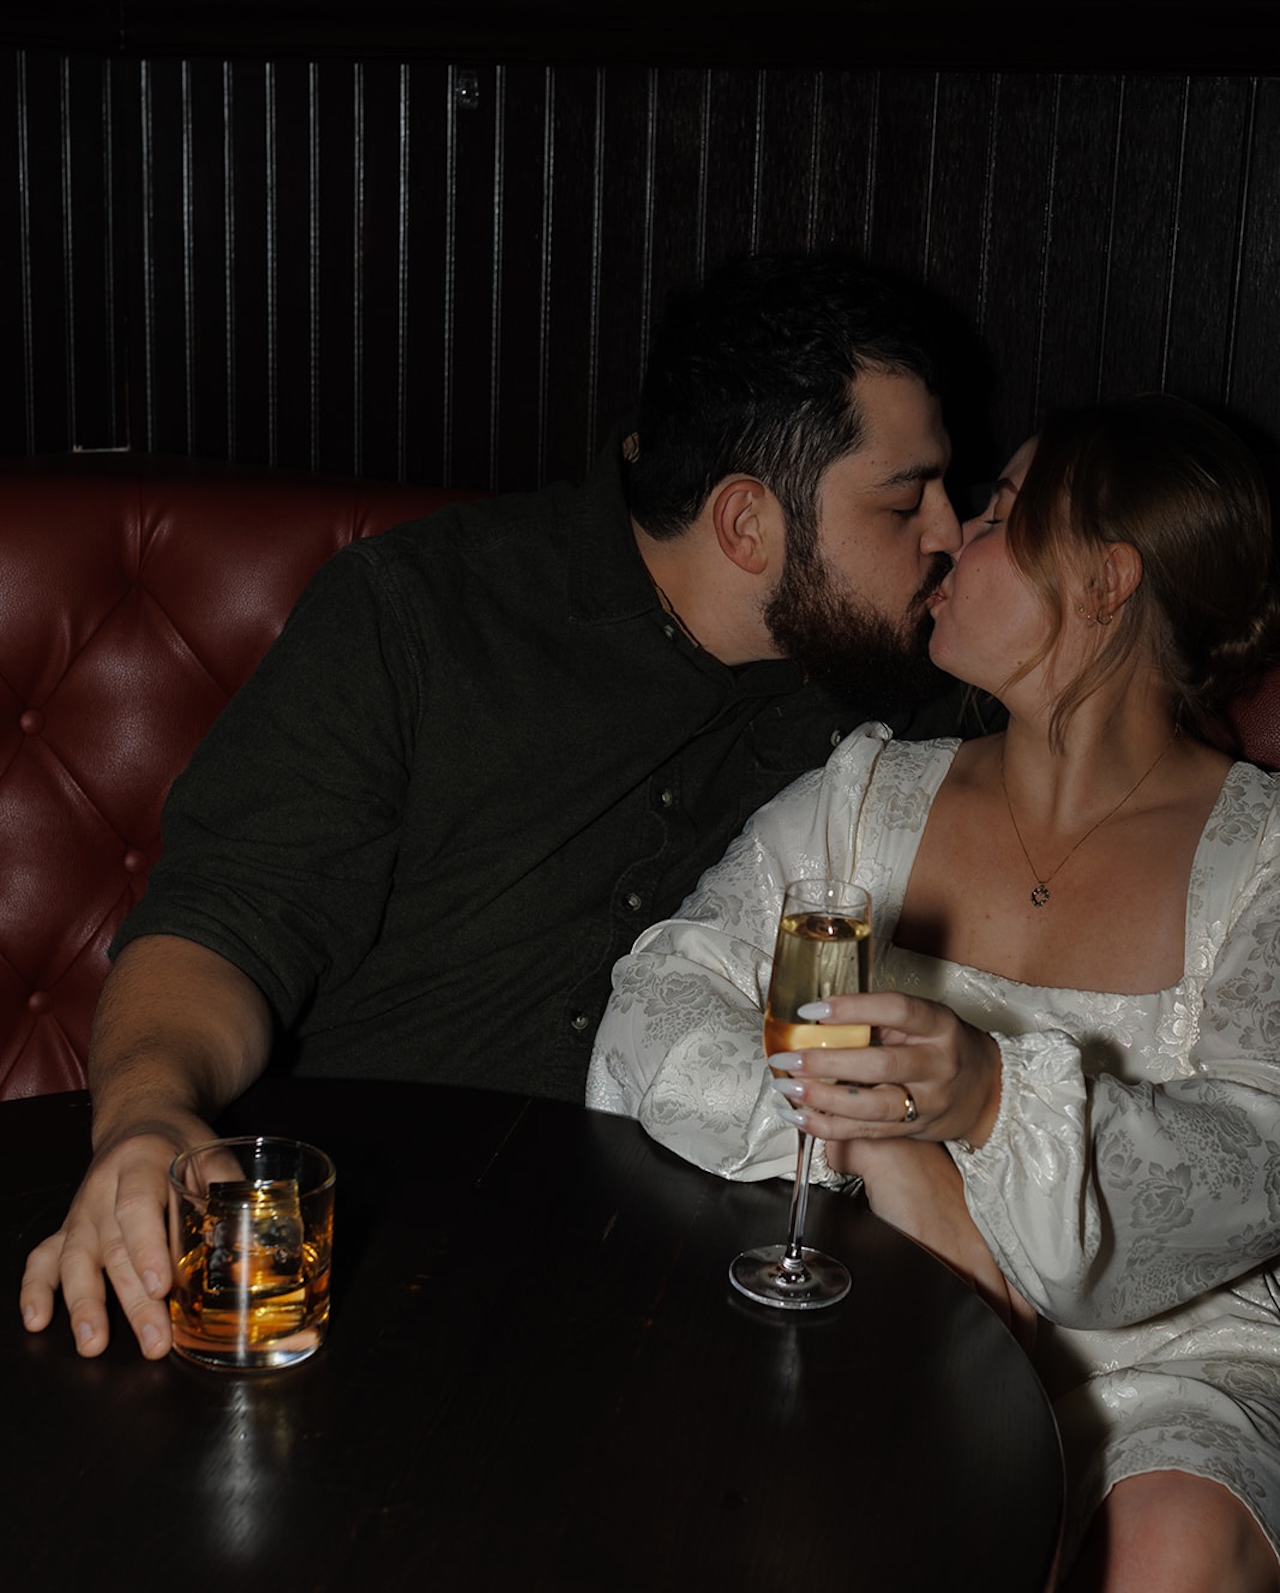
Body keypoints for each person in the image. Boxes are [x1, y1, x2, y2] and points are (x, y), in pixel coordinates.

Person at [20, 251, 969, 1362]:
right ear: (745, 524)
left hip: (704, 1303)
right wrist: (143, 1116)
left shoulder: (908, 688)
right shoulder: (417, 615)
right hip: (365, 1273)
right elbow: (225, 923)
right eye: (904, 500)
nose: (948, 531)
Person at [588, 394, 1280, 1593]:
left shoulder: (1263, 858)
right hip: (885, 1310)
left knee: (1166, 1545)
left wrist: (988, 1099)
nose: (951, 534)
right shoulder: (863, 799)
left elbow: (1253, 1154)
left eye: (1003, 514)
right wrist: (889, 1156)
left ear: (1108, 582)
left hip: (1169, 1364)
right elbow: (660, 998)